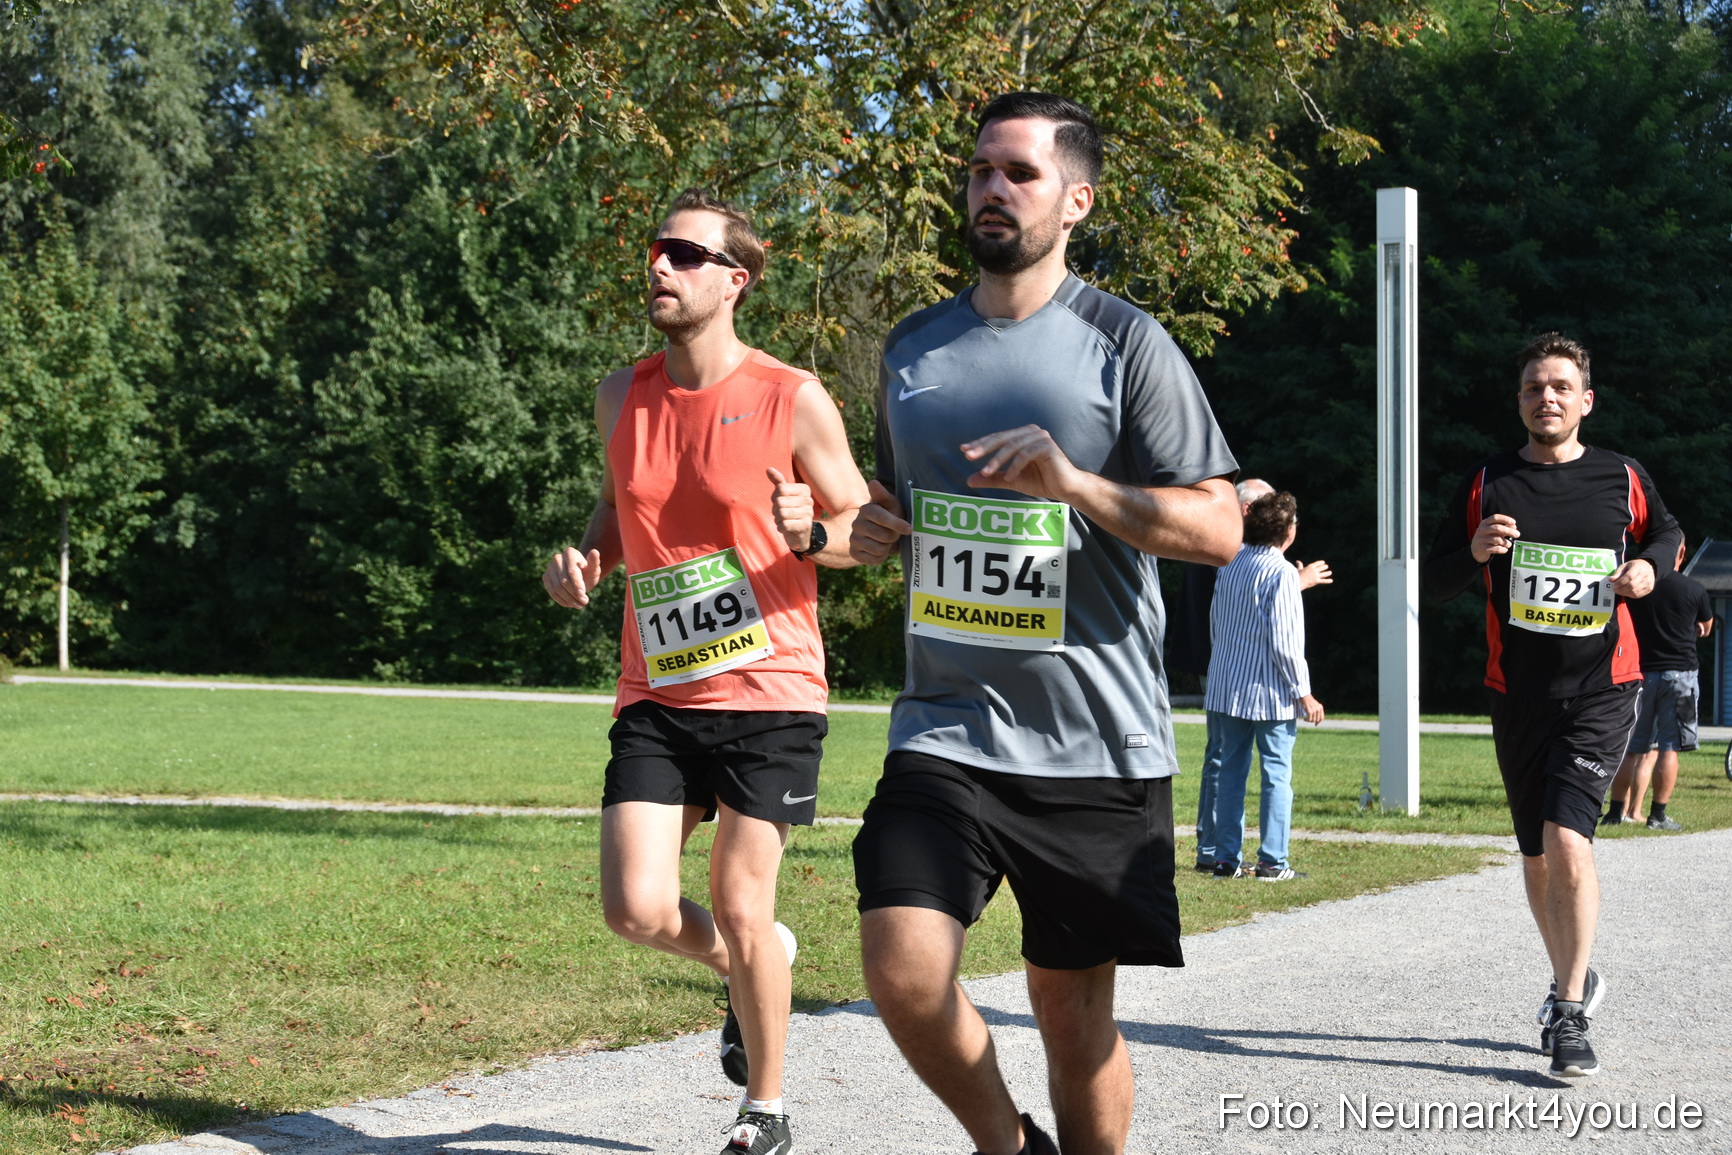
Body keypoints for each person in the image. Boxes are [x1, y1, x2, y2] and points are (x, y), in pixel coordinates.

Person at [820, 91, 1241, 1155]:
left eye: (1018, 173)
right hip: (945, 726)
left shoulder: (1125, 344)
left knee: (1070, 1013)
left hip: (1094, 742)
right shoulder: (914, 347)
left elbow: (1218, 528)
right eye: (978, 171)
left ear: (1077, 199)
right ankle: (1006, 1145)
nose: (991, 190)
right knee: (902, 969)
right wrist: (851, 530)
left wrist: (1074, 485)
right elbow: (889, 510)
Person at [541, 188, 876, 1155]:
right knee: (635, 907)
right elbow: (617, 510)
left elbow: (865, 524)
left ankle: (763, 1108)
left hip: (770, 687)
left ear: (736, 281)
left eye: (686, 255)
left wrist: (814, 532)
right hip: (657, 687)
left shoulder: (790, 395)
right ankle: (757, 964)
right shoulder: (621, 393)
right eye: (656, 251)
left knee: (741, 894)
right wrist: (586, 563)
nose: (660, 267)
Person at [1422, 332, 1680, 1080]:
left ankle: (1567, 1012)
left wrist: (1646, 568)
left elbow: (1669, 534)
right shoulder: (1487, 482)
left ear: (1586, 400)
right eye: (1536, 386)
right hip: (1519, 694)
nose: (1548, 397)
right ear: (1521, 400)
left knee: (1570, 839)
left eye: (1562, 386)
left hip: (1604, 686)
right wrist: (1472, 553)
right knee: (1535, 853)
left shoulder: (1621, 476)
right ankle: (1574, 968)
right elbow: (1435, 579)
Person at [1187, 478, 1331, 873]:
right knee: (1276, 777)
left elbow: (1218, 625)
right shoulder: (1282, 573)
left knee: (1230, 775)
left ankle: (1224, 857)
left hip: (1225, 687)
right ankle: (1272, 860)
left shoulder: (1229, 566)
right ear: (1287, 530)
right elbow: (1285, 642)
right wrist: (1305, 693)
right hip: (1269, 692)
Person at [1603, 537, 1714, 830]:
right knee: (1669, 747)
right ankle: (1657, 815)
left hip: (1640, 675)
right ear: (1681, 552)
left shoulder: (1633, 589)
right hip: (1681, 677)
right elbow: (1706, 628)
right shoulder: (1694, 589)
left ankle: (1615, 813)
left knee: (1632, 748)